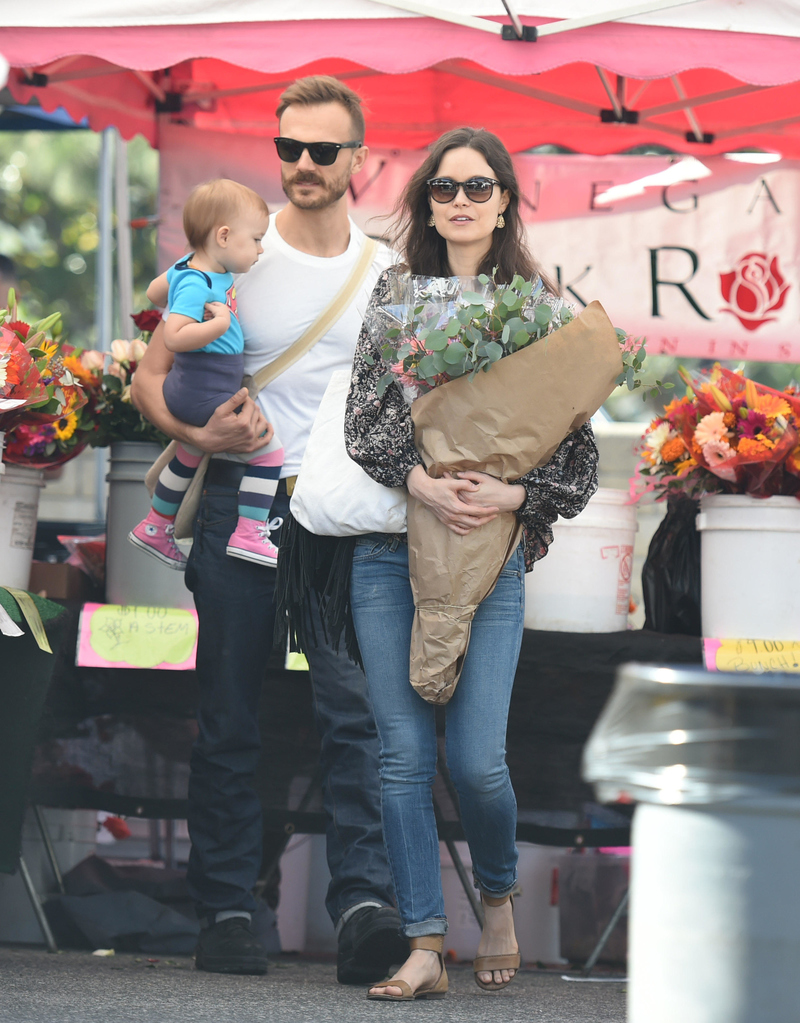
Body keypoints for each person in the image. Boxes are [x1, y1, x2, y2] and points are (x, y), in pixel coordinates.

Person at [131, 76, 407, 981]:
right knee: (230, 712)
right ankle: (224, 904)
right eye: (289, 148)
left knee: (353, 713)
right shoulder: (234, 250)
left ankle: (363, 903)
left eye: (323, 151)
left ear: (358, 158)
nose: (303, 166)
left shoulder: (386, 274)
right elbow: (147, 372)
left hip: (340, 513)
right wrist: (192, 431)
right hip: (236, 497)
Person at [344, 127, 600, 1000]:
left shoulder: (536, 307)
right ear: (425, 201)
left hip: (492, 559)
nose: (460, 200)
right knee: (403, 759)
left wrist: (510, 497)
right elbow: (363, 425)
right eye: (445, 187)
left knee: (479, 761)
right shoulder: (394, 294)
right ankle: (422, 942)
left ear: (505, 202)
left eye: (478, 187)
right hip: (389, 555)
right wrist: (420, 477)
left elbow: (577, 462)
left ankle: (496, 892)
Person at [129, 179, 285, 569]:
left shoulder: (188, 268)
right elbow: (177, 338)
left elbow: (152, 292)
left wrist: (178, 288)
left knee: (190, 452)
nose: (261, 249)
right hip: (206, 386)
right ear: (224, 236)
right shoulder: (198, 283)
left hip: (195, 387)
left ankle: (156, 523)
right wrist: (217, 325)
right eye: (256, 239)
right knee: (270, 454)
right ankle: (250, 532)